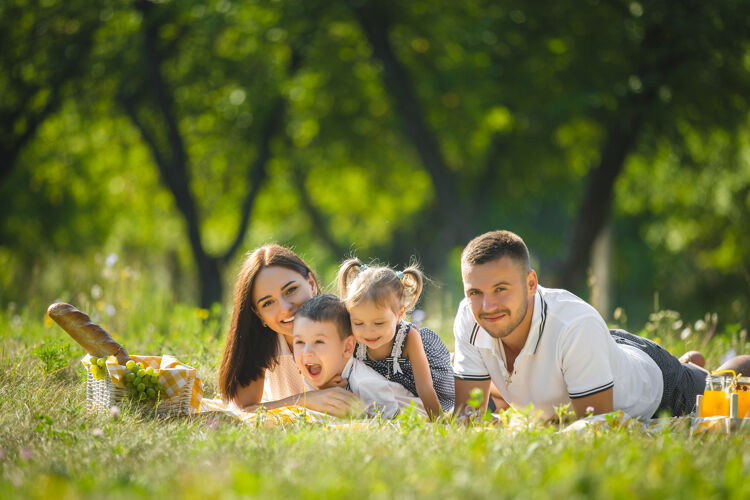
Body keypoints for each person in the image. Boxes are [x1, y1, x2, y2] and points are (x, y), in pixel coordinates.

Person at [452, 230, 750, 420]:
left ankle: (700, 369)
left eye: (501, 289)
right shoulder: (470, 316)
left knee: (719, 396)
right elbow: (468, 418)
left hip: (656, 384)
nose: (487, 307)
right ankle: (689, 362)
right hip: (598, 349)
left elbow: (594, 431)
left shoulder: (574, 326)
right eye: (475, 292)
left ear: (531, 283)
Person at [218, 244, 358, 416]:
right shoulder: (264, 345)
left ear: (311, 283)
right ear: (259, 314)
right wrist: (306, 401)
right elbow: (243, 412)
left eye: (291, 290)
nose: (285, 308)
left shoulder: (352, 324)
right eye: (267, 303)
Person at [337, 258, 454, 419]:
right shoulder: (352, 336)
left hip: (417, 395)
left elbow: (425, 387)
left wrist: (440, 422)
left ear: (400, 314)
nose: (368, 331)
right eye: (358, 323)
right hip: (383, 394)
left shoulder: (408, 337)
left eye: (378, 323)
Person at [292, 294, 426, 418]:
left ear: (348, 347)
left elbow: (397, 424)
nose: (306, 352)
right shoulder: (316, 372)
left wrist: (359, 415)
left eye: (319, 341)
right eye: (299, 342)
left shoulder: (365, 384)